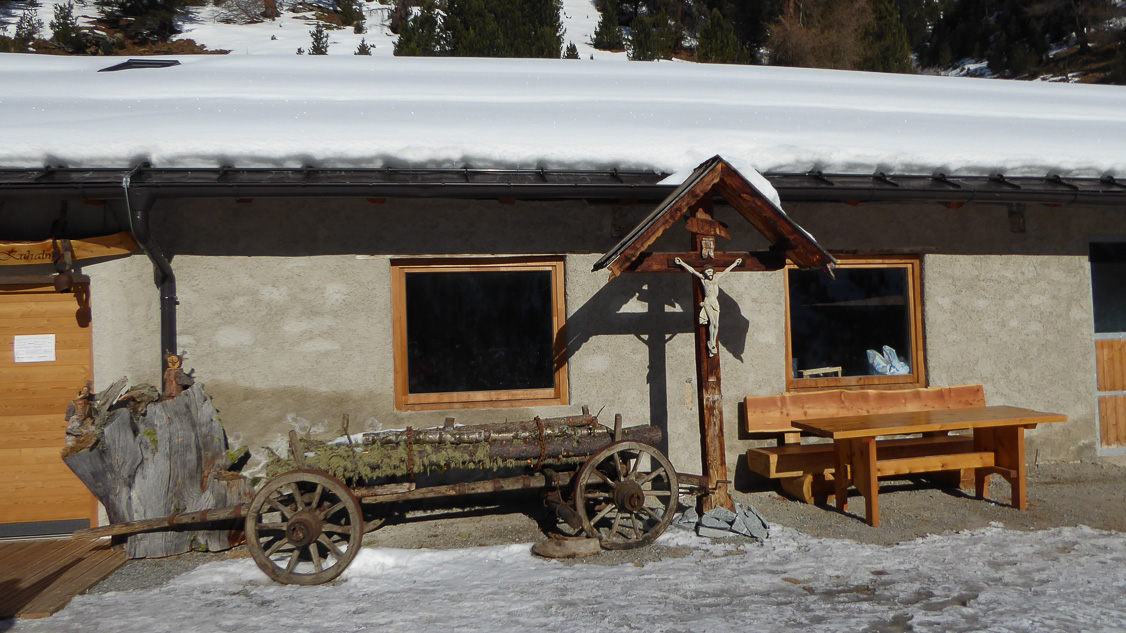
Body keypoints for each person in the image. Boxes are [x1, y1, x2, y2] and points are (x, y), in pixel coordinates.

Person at [673, 257, 742, 356]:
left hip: (715, 303)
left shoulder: (716, 278)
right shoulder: (703, 279)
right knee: (712, 322)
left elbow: (726, 271)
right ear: (704, 273)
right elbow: (692, 271)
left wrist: (735, 263)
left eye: (710, 271)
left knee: (716, 325)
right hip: (708, 302)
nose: (709, 273)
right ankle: (711, 343)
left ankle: (713, 342)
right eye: (707, 272)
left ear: (713, 271)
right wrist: (682, 263)